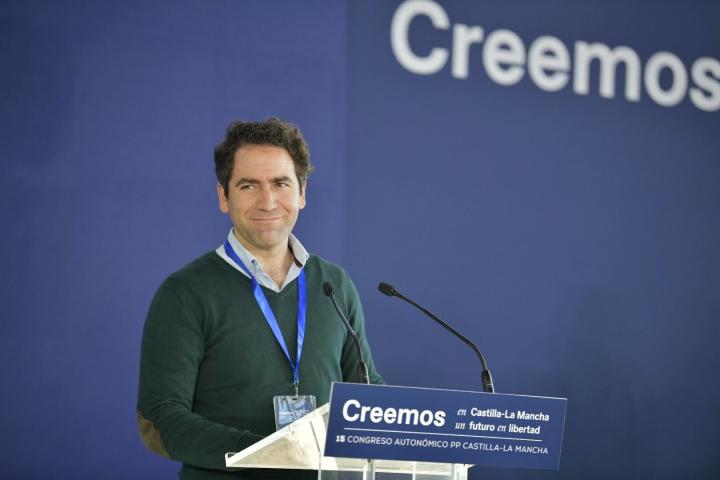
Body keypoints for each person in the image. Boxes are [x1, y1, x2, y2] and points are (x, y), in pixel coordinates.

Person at [137, 117, 383, 479]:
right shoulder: (185, 293)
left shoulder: (333, 284)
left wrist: (424, 429)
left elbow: (367, 397)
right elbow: (159, 420)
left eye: (281, 184)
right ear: (224, 197)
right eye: (249, 185)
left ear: (302, 192)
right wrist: (267, 452)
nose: (268, 202)